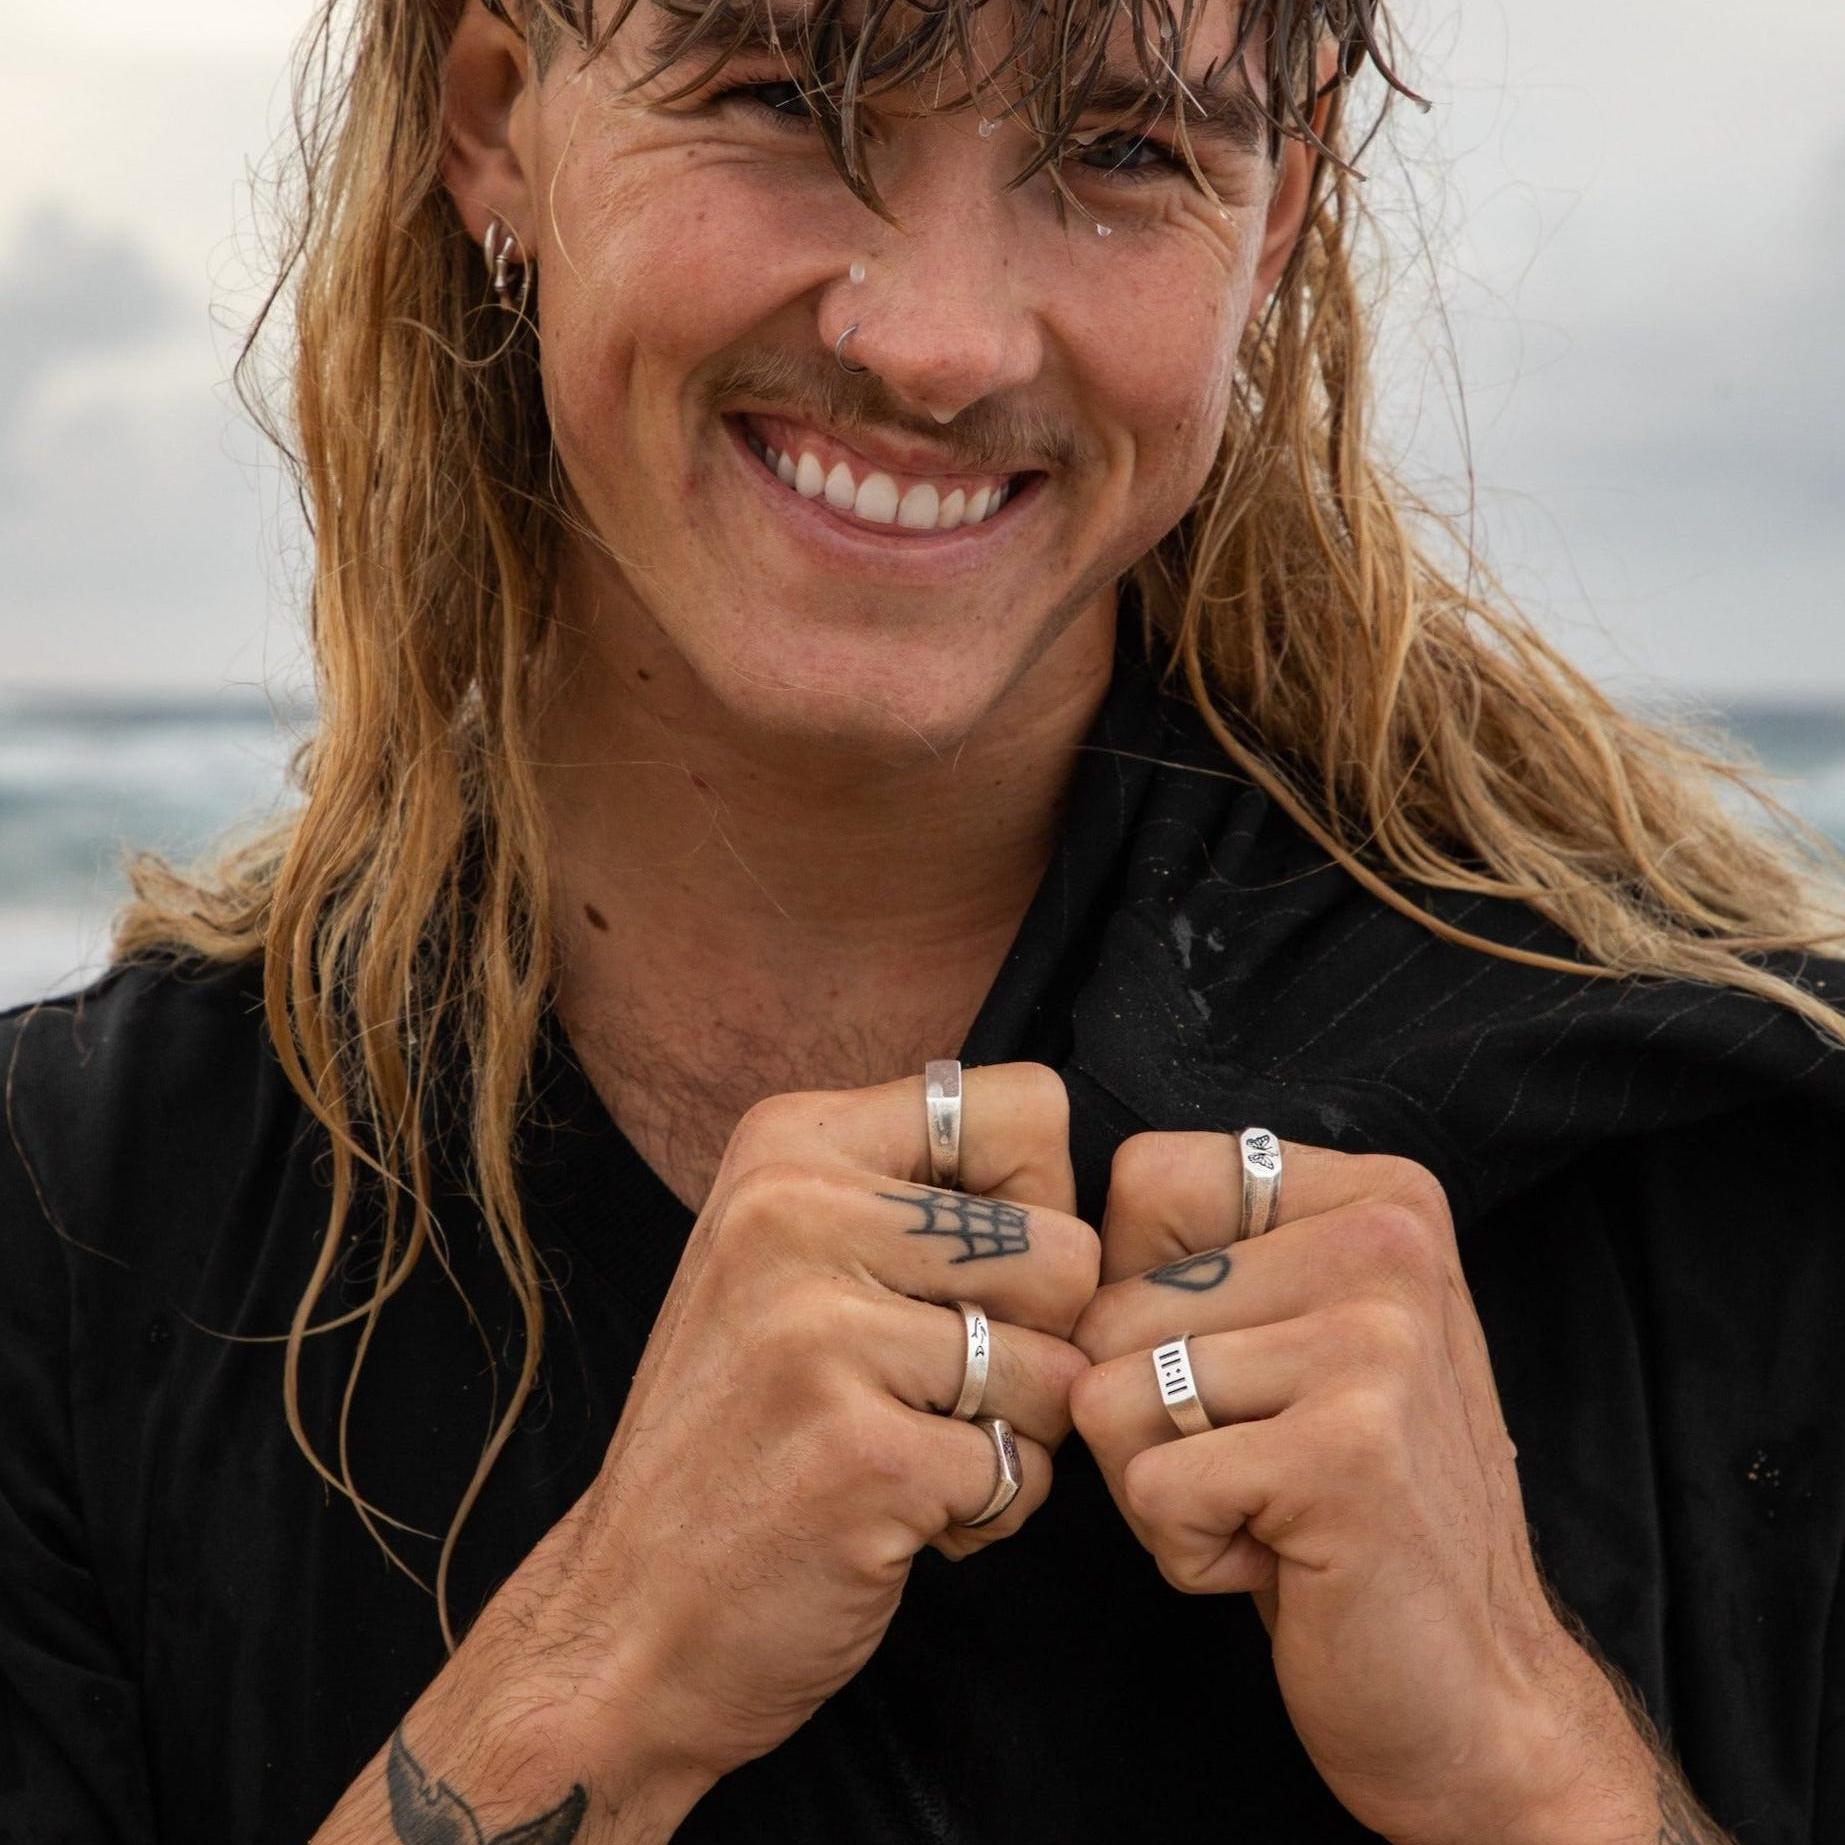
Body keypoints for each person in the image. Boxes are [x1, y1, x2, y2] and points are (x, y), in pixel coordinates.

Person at [2, 0, 1841, 1838]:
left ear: (1270, 217)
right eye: (786, 100)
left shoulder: (1738, 1168)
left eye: (1126, 149)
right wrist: (596, 1673)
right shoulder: (73, 1230)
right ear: (496, 118)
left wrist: (1529, 1760)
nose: (941, 342)